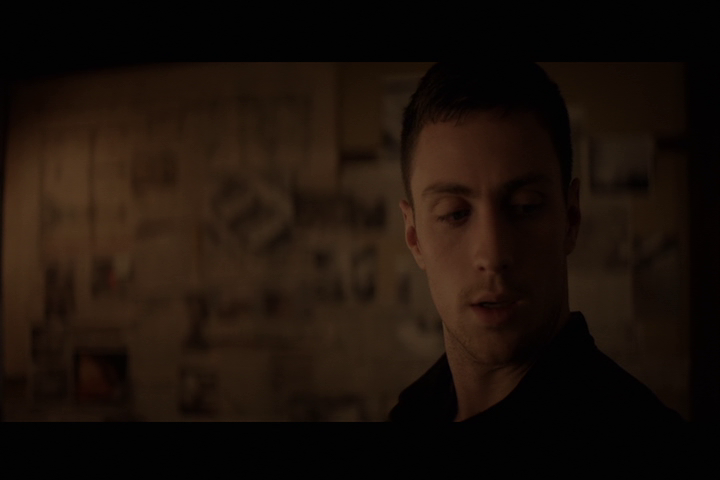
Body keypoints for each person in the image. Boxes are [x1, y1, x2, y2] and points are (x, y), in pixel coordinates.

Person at [388, 62, 690, 449]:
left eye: (525, 206)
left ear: (571, 218)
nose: (492, 254)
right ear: (414, 237)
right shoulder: (411, 412)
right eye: (455, 213)